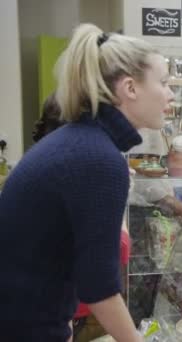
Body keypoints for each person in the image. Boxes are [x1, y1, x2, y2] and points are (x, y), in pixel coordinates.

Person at [0, 23, 174, 341]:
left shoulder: (82, 142)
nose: (170, 93)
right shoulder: (99, 158)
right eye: (163, 82)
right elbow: (100, 288)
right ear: (130, 88)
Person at [33, 93, 132, 341]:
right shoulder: (81, 173)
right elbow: (117, 251)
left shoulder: (41, 167)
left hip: (82, 315)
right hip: (76, 316)